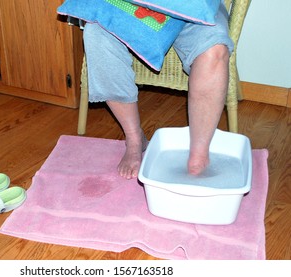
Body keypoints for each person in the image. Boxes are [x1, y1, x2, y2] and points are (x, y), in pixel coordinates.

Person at [82, 3, 234, 180]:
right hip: (133, 6)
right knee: (96, 33)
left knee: (214, 50)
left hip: (195, 9)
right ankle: (134, 138)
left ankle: (198, 156)